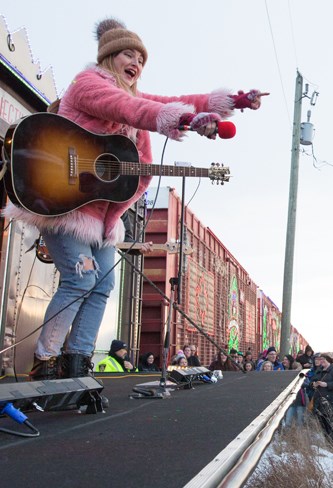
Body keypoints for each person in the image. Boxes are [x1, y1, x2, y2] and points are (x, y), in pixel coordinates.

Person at [12, 18, 267, 381]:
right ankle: (45, 360)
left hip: (100, 217)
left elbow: (172, 101)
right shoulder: (89, 84)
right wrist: (181, 120)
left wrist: (230, 102)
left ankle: (77, 361)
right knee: (81, 279)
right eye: (128, 54)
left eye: (141, 59)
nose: (137, 63)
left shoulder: (131, 93)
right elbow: (130, 109)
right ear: (109, 57)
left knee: (102, 285)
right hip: (60, 201)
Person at [311, 353, 333, 443]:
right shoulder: (319, 370)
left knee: (331, 425)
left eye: (323, 359)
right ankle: (327, 442)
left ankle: (332, 444)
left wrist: (327, 384)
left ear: (328, 360)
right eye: (320, 359)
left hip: (331, 402)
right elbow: (312, 380)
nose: (321, 361)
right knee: (323, 424)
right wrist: (313, 384)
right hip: (319, 401)